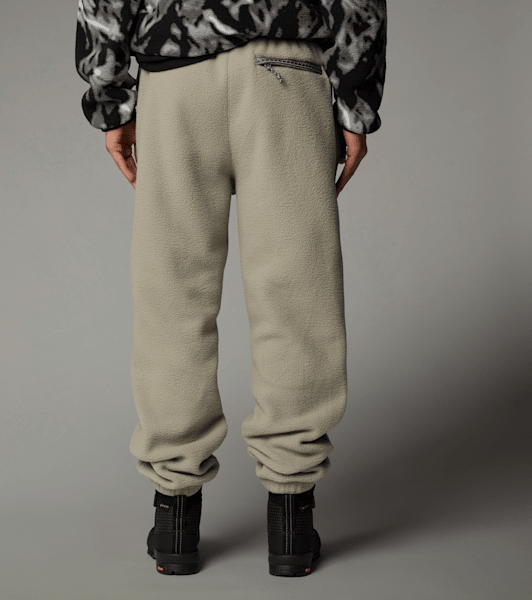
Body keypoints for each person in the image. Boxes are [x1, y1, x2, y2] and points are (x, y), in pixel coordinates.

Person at [76, 0, 387, 577]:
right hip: (287, 68)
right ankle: (292, 520)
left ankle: (175, 515)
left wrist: (110, 98)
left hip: (176, 75)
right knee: (298, 292)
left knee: (173, 293)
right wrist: (355, 99)